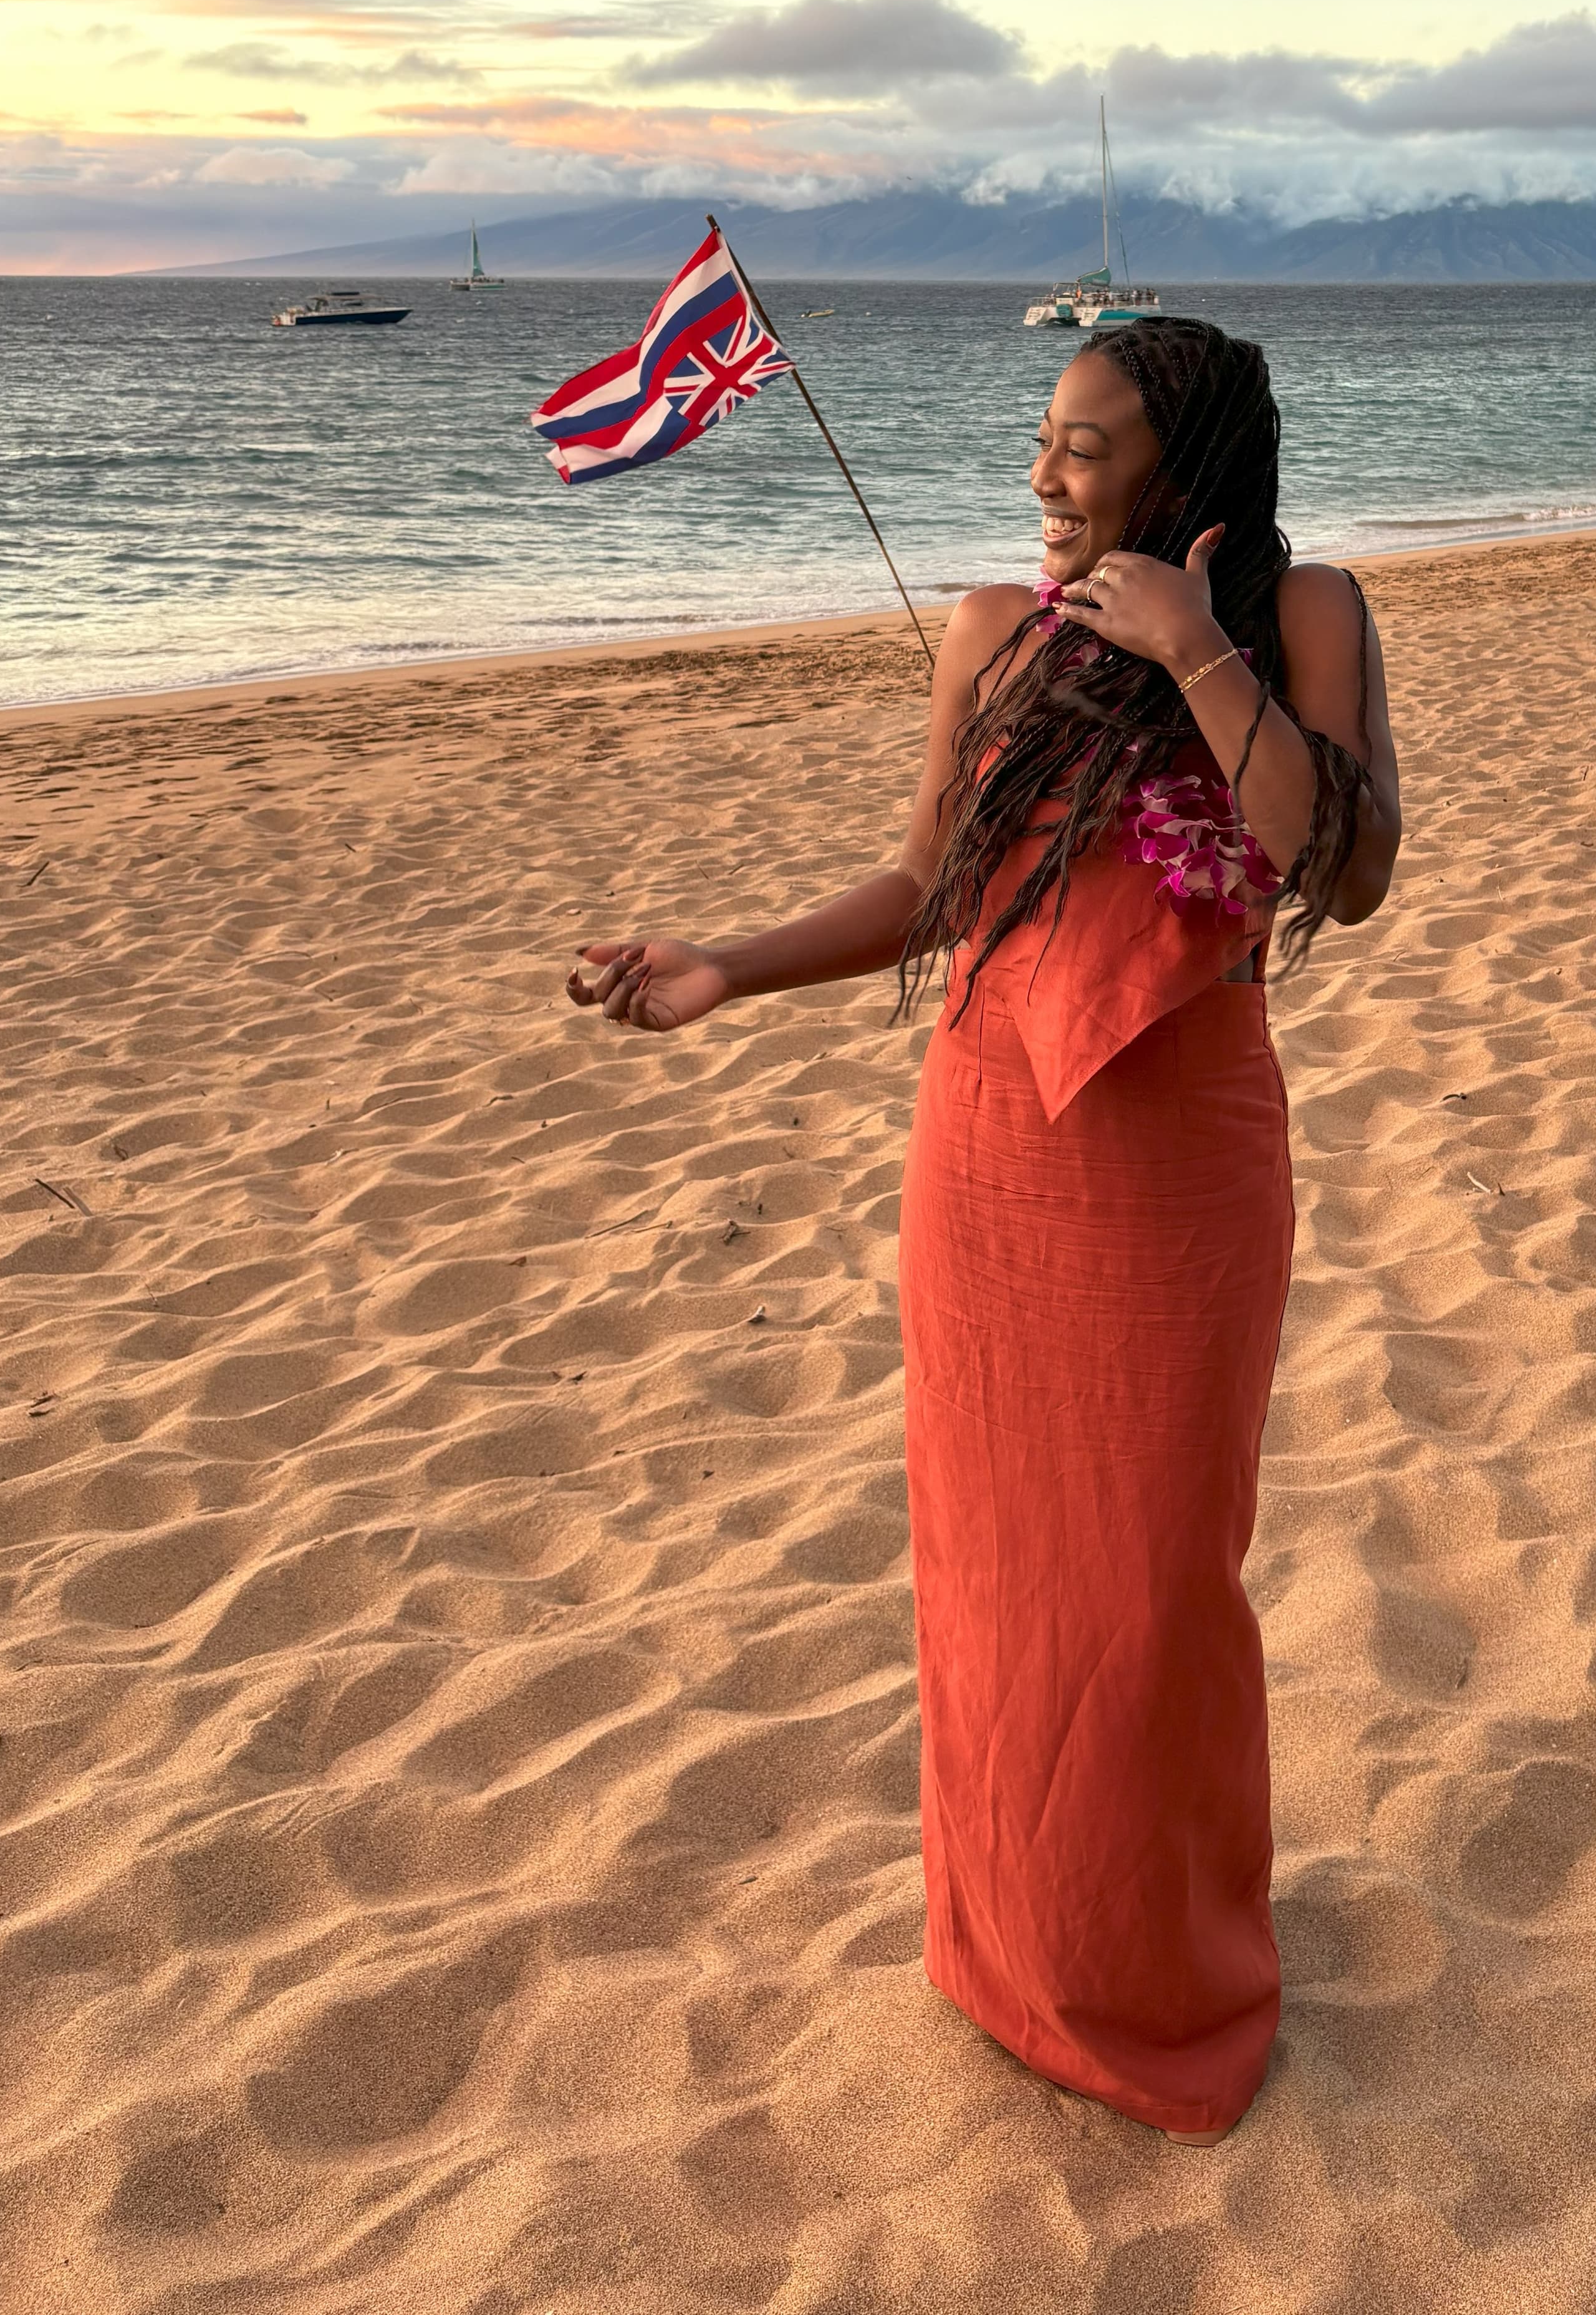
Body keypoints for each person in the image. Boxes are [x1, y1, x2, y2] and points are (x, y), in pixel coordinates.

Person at [568, 315, 1401, 2140]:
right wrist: (728, 966)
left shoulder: (1304, 615)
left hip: (1180, 1156)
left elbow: (1335, 859)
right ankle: (1013, 1960)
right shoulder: (989, 634)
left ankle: (1162, 1975)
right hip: (987, 1150)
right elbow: (932, 887)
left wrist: (1190, 653)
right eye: (1042, 440)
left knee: (1149, 1584)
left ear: (1184, 473)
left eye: (1085, 449)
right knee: (1001, 1580)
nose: (1042, 479)